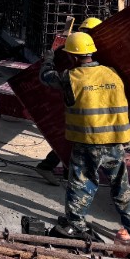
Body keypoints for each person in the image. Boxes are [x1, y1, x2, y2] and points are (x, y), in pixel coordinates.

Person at [39, 31, 130, 247]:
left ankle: (76, 223)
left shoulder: (71, 77)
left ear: (73, 57)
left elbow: (45, 77)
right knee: (120, 185)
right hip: (115, 140)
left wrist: (49, 58)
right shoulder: (112, 73)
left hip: (89, 141)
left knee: (81, 182)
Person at [35, 16, 102, 185]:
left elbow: (47, 76)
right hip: (81, 102)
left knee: (73, 139)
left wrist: (48, 60)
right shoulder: (87, 59)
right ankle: (55, 168)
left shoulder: (83, 55)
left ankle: (57, 168)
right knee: (73, 139)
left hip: (83, 101)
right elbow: (49, 77)